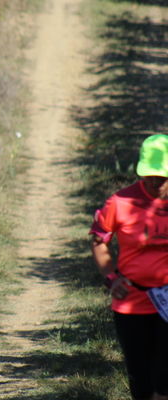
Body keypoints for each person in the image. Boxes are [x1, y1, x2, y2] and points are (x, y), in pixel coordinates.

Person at [90, 134, 168, 400]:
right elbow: (100, 240)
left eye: (162, 177)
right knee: (141, 379)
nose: (155, 182)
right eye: (149, 176)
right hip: (132, 301)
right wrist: (111, 278)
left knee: (165, 381)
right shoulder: (120, 202)